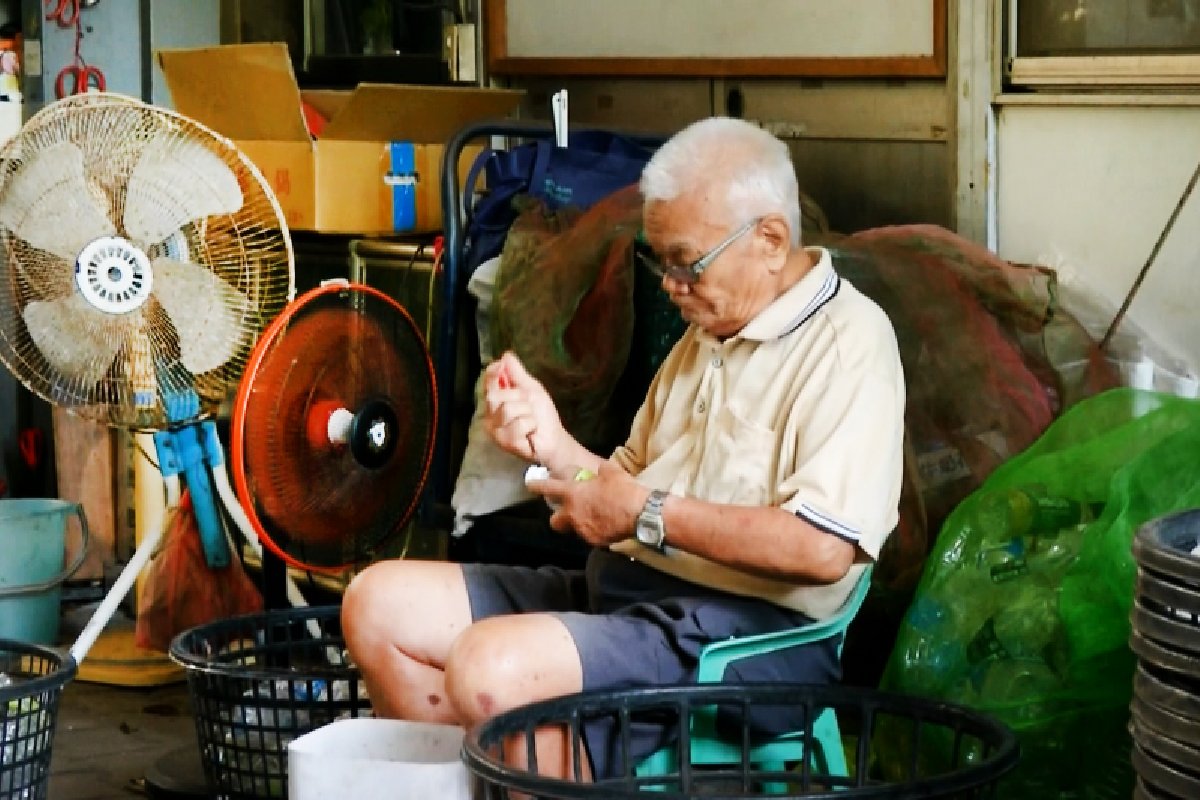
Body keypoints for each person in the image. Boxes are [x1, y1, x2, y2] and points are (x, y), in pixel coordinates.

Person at [341, 116, 906, 781]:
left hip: (747, 633)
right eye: (658, 260)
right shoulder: (708, 334)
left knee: (488, 670)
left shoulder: (848, 344)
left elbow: (821, 548)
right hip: (629, 594)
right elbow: (622, 487)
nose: (670, 284)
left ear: (771, 241)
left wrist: (643, 513)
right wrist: (553, 447)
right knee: (376, 605)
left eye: (685, 262)